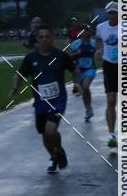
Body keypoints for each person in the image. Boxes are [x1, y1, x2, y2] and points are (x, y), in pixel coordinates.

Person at [9, 23, 81, 173]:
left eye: (47, 36)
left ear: (52, 38)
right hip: (40, 103)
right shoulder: (31, 58)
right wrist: (15, 87)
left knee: (50, 131)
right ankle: (54, 156)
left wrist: (76, 83)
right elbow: (19, 74)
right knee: (46, 135)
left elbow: (75, 69)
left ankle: (59, 151)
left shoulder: (60, 56)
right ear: (37, 39)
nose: (44, 40)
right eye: (41, 37)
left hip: (58, 100)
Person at [95, 2, 119, 148]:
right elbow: (98, 41)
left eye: (115, 12)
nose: (112, 15)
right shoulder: (100, 27)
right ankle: (111, 134)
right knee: (111, 100)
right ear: (106, 14)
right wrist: (98, 50)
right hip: (109, 65)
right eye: (110, 12)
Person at [68, 26, 97, 121]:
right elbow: (68, 57)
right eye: (83, 30)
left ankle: (88, 108)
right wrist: (76, 53)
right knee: (84, 91)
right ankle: (88, 109)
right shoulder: (76, 44)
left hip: (90, 69)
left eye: (87, 30)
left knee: (85, 86)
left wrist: (99, 55)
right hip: (79, 70)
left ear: (90, 32)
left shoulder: (94, 43)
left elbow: (99, 54)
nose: (85, 32)